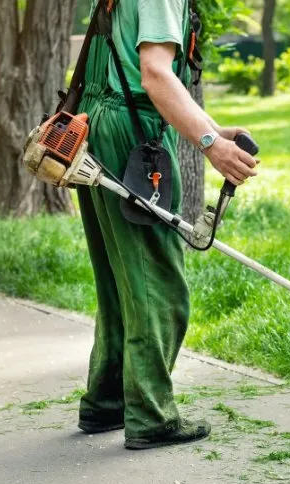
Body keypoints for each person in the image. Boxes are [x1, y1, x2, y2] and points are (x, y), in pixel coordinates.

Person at [75, 0, 259, 450]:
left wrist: (209, 125)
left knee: (121, 279)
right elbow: (154, 74)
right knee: (158, 285)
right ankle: (151, 416)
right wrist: (211, 144)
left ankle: (107, 403)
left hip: (96, 127)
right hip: (132, 138)